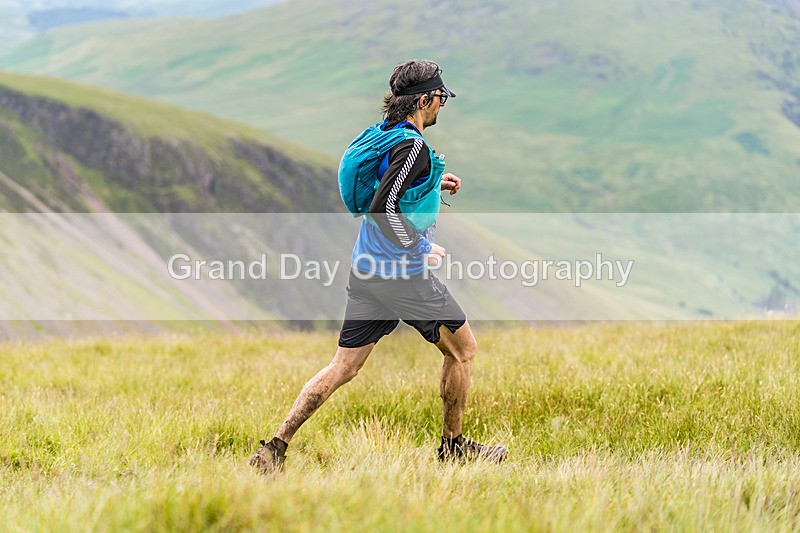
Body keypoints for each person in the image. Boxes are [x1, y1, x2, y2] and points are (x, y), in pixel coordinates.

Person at [250, 60, 508, 474]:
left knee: (343, 366)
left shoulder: (385, 135)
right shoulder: (413, 146)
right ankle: (453, 448)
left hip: (367, 271)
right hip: (402, 275)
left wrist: (432, 183)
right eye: (440, 98)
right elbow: (382, 205)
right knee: (463, 351)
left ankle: (275, 447)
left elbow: (389, 185)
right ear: (424, 100)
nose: (442, 105)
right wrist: (419, 248)